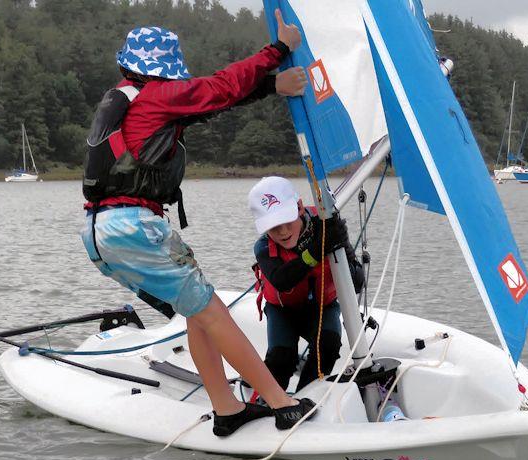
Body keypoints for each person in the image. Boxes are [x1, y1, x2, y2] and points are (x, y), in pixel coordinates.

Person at [80, 11, 315, 437]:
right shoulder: (156, 97)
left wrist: (269, 86)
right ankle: (283, 404)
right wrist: (278, 50)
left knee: (196, 312)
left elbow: (208, 104)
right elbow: (219, 87)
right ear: (162, 70)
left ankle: (227, 409)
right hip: (134, 225)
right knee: (211, 310)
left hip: (101, 231)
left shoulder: (129, 99)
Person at [249, 176, 364, 392]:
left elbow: (358, 283)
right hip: (283, 311)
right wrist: (315, 251)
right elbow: (282, 281)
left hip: (323, 307)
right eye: (274, 227)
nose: (283, 232)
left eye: (286, 221)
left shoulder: (327, 228)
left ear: (300, 207)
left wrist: (342, 246)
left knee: (328, 345)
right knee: (281, 357)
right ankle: (273, 401)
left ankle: (306, 396)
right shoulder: (263, 246)